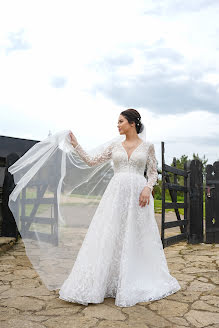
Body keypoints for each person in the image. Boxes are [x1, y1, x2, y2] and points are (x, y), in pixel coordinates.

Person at [58, 108, 181, 307]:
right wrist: (76, 145)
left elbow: (152, 173)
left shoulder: (147, 146)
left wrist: (147, 189)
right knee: (111, 233)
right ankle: (106, 280)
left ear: (132, 123)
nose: (117, 125)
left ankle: (133, 278)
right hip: (115, 195)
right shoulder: (115, 146)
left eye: (121, 121)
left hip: (138, 196)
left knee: (135, 235)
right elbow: (91, 161)